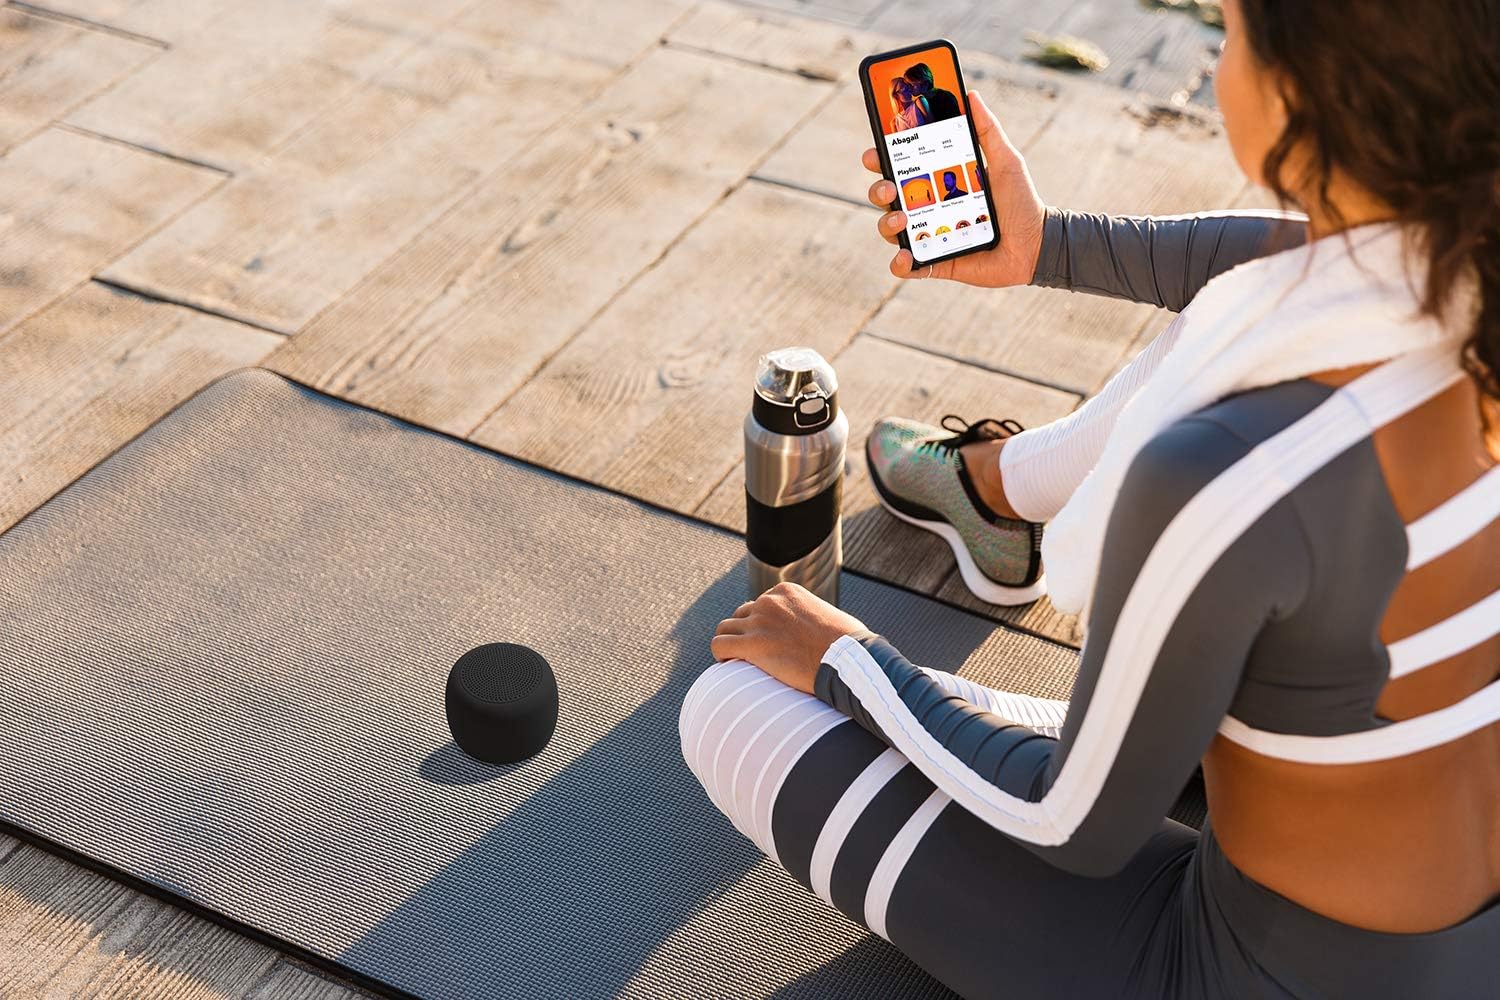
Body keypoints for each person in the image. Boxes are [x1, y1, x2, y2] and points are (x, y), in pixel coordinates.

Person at [680, 1, 1499, 997]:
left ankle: (985, 564)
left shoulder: (1221, 472)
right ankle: (1002, 504)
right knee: (1218, 330)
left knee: (732, 702)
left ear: (1296, 97)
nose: (1220, 52)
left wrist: (845, 657)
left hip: (1252, 973)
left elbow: (1073, 822)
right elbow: (1270, 267)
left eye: (1231, 30)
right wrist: (1044, 244)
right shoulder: (1467, 288)